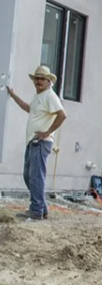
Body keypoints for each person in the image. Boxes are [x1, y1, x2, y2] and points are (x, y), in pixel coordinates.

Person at [5, 64, 66, 221]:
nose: (38, 81)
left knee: (36, 177)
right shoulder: (39, 96)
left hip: (41, 142)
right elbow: (28, 108)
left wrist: (47, 132)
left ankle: (36, 211)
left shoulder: (49, 96)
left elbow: (62, 115)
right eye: (37, 78)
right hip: (32, 142)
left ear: (48, 81)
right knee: (28, 176)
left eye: (42, 79)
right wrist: (13, 95)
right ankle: (42, 209)